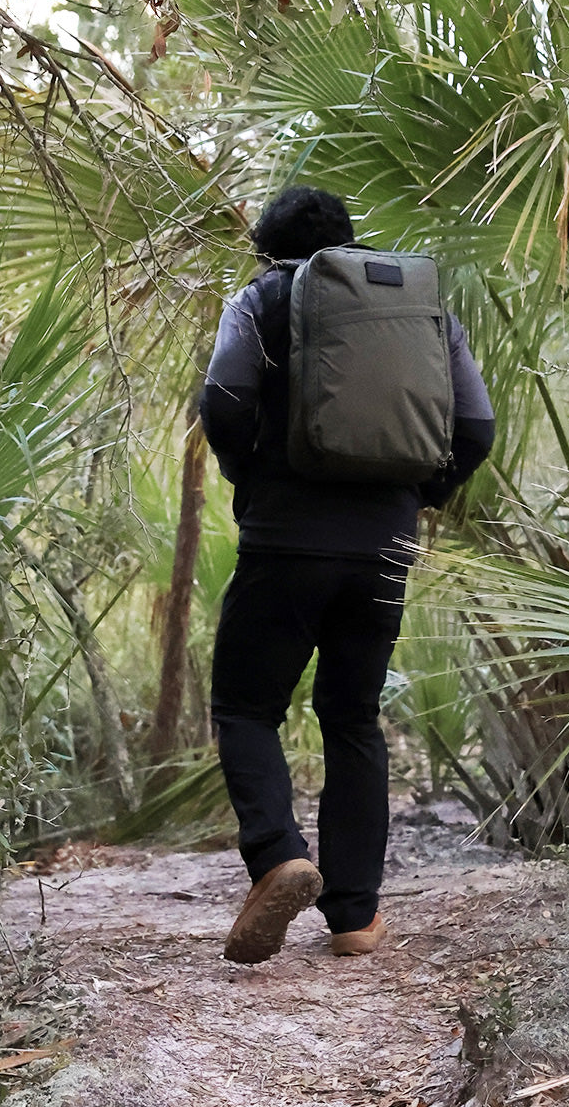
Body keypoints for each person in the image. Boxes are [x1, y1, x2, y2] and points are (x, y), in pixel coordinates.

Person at [199, 185, 494, 964]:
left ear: (266, 248)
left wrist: (250, 480)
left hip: (285, 541)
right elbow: (476, 423)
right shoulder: (419, 311)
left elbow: (223, 401)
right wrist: (419, 491)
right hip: (383, 546)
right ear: (348, 245)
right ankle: (356, 918)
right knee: (352, 716)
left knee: (245, 705)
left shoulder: (259, 299)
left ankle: (277, 857)